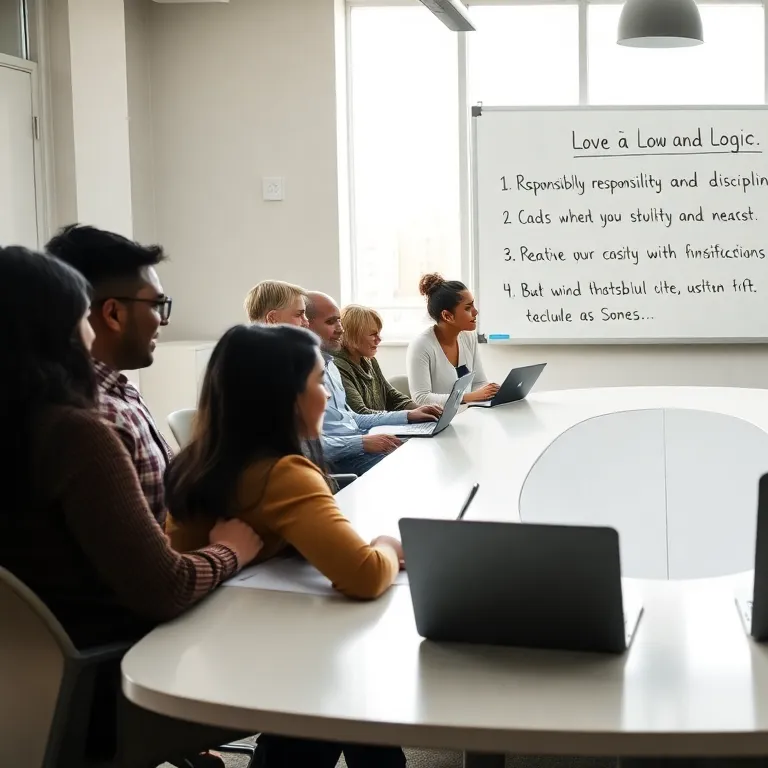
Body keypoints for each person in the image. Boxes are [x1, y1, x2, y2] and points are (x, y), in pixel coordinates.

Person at [0, 245, 262, 760]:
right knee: (303, 649)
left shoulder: (28, 425)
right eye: (82, 318)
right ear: (57, 331)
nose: (90, 334)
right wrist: (233, 548)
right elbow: (167, 587)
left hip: (30, 689)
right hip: (108, 684)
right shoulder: (75, 435)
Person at [165, 323, 407, 768]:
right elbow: (366, 575)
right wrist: (389, 545)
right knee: (347, 676)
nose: (328, 396)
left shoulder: (199, 459)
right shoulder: (281, 473)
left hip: (188, 646)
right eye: (318, 382)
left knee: (341, 687)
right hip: (238, 663)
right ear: (286, 396)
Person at [46, 225, 176, 525]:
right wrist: (231, 545)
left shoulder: (122, 391)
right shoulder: (99, 414)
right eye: (156, 305)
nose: (163, 321)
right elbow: (145, 555)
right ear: (113, 314)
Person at [305, 291, 441, 476]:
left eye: (339, 321)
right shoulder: (326, 367)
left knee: (423, 450)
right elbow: (310, 445)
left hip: (358, 443)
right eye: (330, 322)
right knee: (414, 466)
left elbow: (353, 417)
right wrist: (363, 442)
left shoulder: (332, 365)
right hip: (341, 458)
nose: (340, 329)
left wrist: (410, 414)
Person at [406, 273, 499, 406]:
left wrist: (490, 391)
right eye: (468, 308)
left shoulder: (469, 337)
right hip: (438, 418)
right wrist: (468, 397)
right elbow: (421, 398)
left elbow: (479, 382)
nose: (475, 312)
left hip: (469, 414)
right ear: (447, 316)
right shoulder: (421, 345)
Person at [334, 305, 416, 415]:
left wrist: (421, 409)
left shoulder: (370, 361)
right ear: (353, 336)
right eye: (373, 334)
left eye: (379, 333)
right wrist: (409, 415)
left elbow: (391, 396)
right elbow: (360, 413)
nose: (379, 339)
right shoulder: (337, 367)